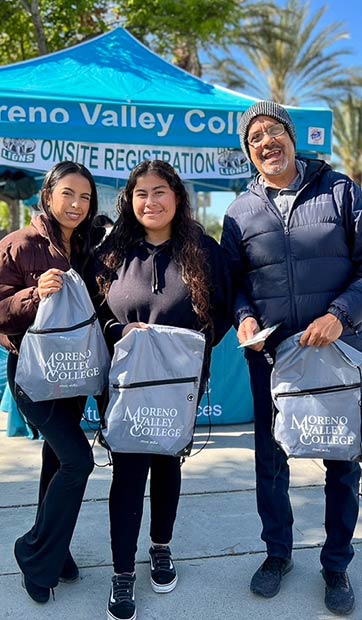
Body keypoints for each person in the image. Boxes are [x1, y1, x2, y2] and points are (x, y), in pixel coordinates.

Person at [221, 100, 362, 616]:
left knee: (342, 460)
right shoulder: (239, 212)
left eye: (273, 130)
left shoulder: (340, 190)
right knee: (271, 460)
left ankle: (336, 564)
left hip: (339, 350)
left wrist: (342, 315)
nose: (265, 141)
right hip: (273, 359)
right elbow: (232, 283)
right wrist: (243, 319)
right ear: (249, 151)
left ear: (291, 135)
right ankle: (277, 554)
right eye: (254, 137)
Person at [93, 159, 231, 620]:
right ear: (130, 201)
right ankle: (121, 573)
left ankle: (160, 546)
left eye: (158, 192)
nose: (149, 202)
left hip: (179, 386)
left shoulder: (204, 251)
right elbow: (95, 311)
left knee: (168, 464)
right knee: (127, 473)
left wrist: (192, 346)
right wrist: (117, 333)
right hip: (127, 385)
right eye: (140, 194)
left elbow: (224, 309)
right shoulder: (112, 252)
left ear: (176, 196)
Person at [0, 161, 99, 604]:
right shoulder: (18, 245)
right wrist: (34, 294)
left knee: (57, 462)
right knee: (79, 460)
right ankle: (34, 551)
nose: (77, 204)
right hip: (32, 374)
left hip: (73, 372)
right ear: (48, 194)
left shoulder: (90, 244)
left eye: (85, 197)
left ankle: (55, 550)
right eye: (68, 194)